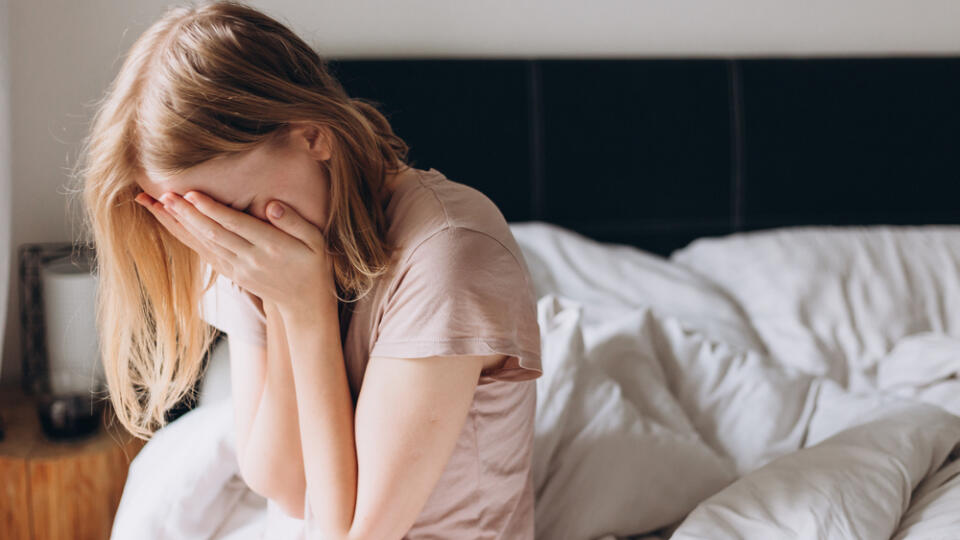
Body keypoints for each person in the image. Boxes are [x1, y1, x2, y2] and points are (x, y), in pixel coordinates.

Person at [72, 1, 543, 538]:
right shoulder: (258, 249)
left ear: (313, 135)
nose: (232, 241)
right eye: (201, 223)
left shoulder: (448, 255)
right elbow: (283, 484)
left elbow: (347, 532)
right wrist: (282, 300)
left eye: (239, 211)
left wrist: (306, 308)